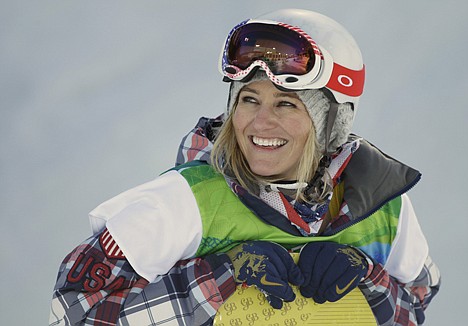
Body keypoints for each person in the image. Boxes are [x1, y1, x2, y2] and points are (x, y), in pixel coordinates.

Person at [49, 8, 440, 326]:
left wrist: (369, 279)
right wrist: (219, 277)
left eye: (286, 104)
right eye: (249, 99)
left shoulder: (381, 206)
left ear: (331, 126)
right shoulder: (183, 204)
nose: (260, 122)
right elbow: (74, 312)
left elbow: (417, 302)